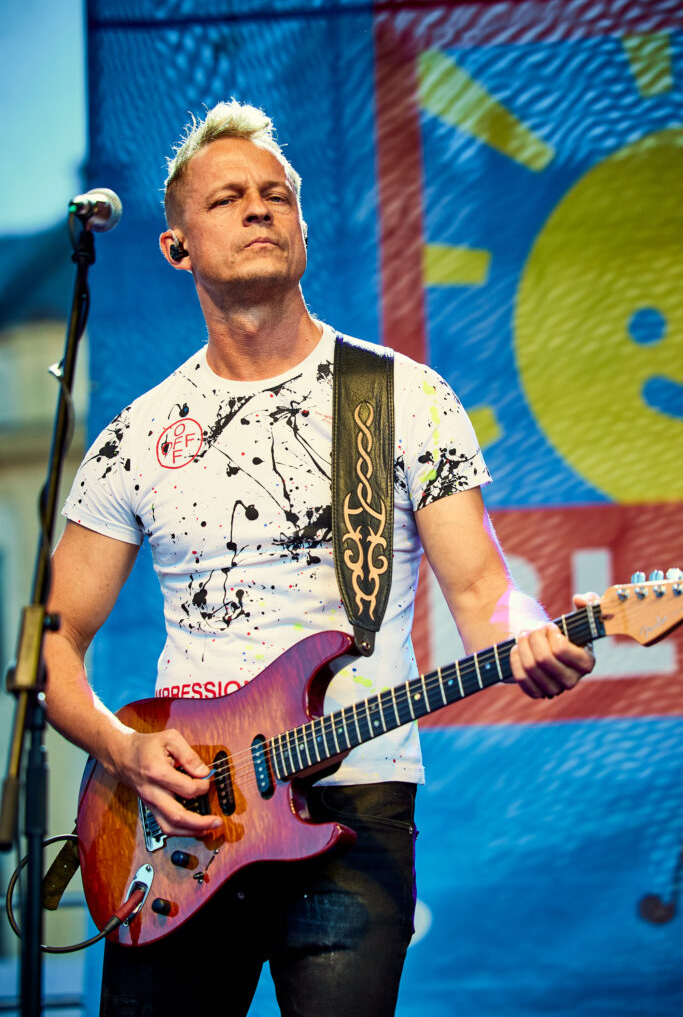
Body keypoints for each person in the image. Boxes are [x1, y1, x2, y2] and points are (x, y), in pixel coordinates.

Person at [44, 101, 596, 1016]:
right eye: (226, 198)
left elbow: (482, 590)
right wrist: (122, 749)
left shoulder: (402, 397)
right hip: (180, 816)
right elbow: (52, 641)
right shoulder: (137, 435)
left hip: (357, 801)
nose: (258, 208)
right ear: (177, 248)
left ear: (301, 226)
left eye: (276, 194)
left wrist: (529, 630)